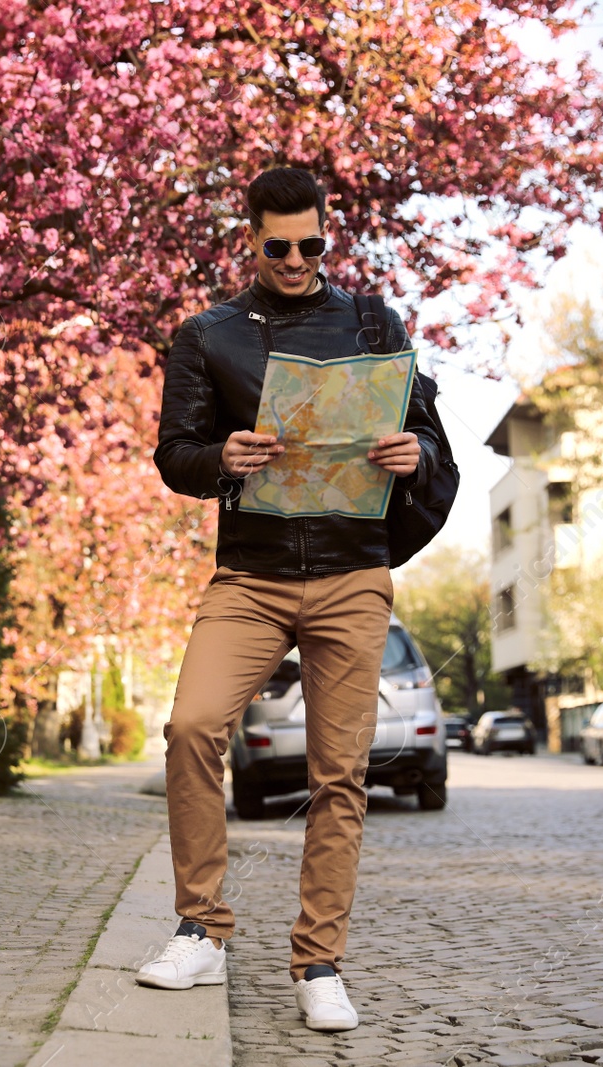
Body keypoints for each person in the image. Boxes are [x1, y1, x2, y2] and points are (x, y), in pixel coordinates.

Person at [135, 167, 447, 1032]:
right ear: (253, 241)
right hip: (252, 575)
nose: (298, 259)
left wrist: (411, 452)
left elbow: (428, 432)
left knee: (338, 773)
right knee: (193, 726)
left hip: (350, 574)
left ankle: (319, 963)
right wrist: (219, 459)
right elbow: (175, 454)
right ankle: (201, 928)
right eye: (279, 247)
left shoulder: (374, 322)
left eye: (313, 244)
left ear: (326, 233)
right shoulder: (208, 335)